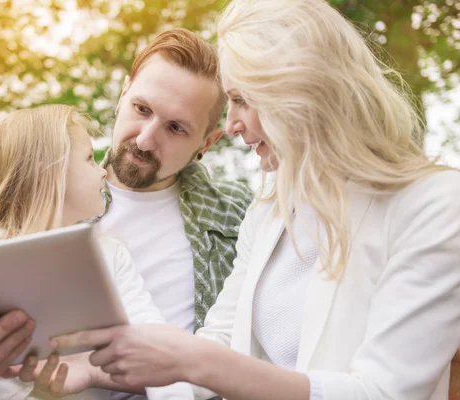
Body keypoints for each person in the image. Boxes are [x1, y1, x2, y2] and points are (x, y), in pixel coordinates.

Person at [49, 0, 460, 399]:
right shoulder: (273, 202)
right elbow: (223, 344)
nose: (231, 125)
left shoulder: (433, 205)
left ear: (301, 94)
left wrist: (194, 360)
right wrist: (87, 371)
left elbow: (384, 392)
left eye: (243, 100)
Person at [0, 29, 253, 399]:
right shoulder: (52, 194)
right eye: (142, 109)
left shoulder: (240, 217)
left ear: (207, 143)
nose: (146, 139)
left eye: (176, 128)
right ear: (122, 95)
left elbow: (254, 348)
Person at [0, 104, 194, 400]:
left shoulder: (109, 253)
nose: (102, 171)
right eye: (88, 158)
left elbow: (153, 336)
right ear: (49, 174)